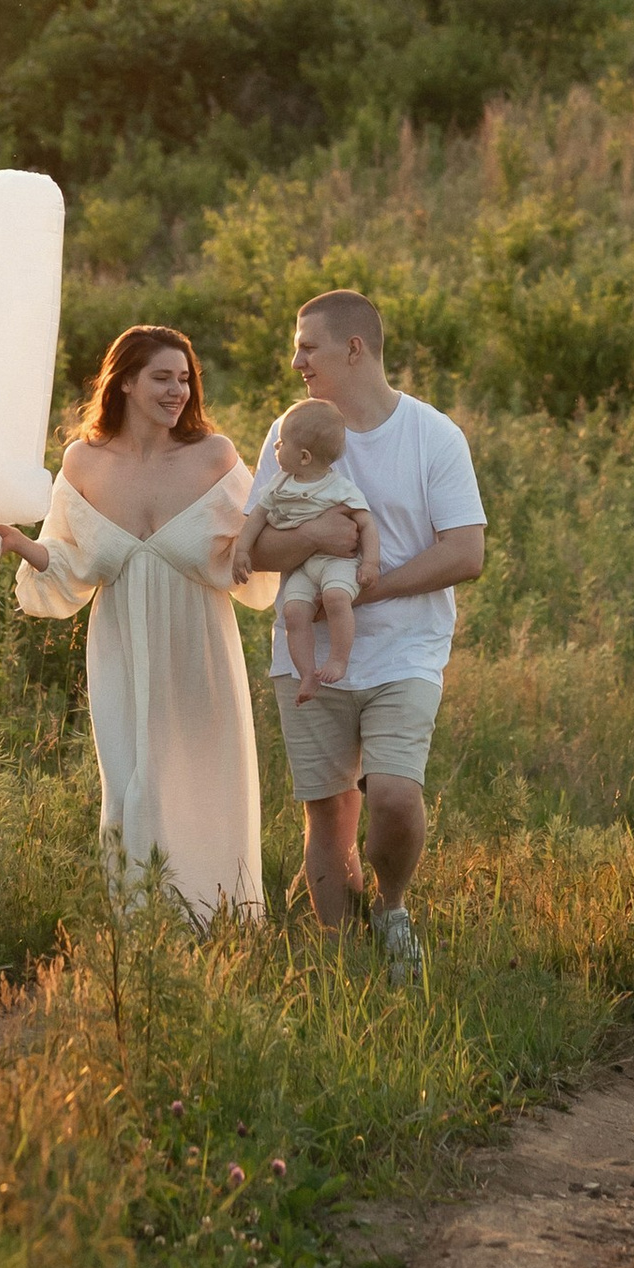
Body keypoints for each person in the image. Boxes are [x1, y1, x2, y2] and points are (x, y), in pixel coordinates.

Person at [0, 323, 275, 922]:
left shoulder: (213, 457)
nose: (178, 392)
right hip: (120, 652)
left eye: (185, 379)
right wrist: (15, 542)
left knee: (204, 783)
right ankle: (142, 927)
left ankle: (219, 923)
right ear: (125, 383)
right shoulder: (83, 462)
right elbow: (68, 562)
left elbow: (258, 553)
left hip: (199, 649)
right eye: (162, 378)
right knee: (134, 785)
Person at [235, 289, 486, 977]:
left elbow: (466, 552)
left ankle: (392, 906)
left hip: (406, 650)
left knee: (395, 797)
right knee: (329, 818)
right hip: (307, 655)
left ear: (354, 349)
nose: (295, 361)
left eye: (306, 346)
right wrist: (316, 535)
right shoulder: (291, 434)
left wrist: (372, 584)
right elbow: (253, 549)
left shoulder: (432, 435)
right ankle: (345, 968)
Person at [256, 398, 380, 690]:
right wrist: (240, 550)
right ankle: (307, 674)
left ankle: (338, 659)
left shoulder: (338, 487)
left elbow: (366, 523)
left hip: (337, 563)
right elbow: (256, 518)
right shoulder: (279, 484)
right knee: (294, 613)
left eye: (281, 443)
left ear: (304, 458)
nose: (276, 447)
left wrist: (371, 562)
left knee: (336, 597)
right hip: (303, 567)